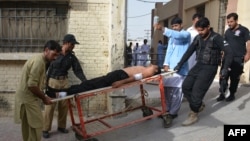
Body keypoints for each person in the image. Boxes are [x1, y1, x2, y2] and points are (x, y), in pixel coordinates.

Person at [174, 17, 232, 126]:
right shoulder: (198, 38)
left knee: (197, 91)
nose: (200, 32)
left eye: (202, 30)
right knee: (186, 86)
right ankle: (198, 105)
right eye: (198, 30)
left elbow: (229, 53)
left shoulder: (217, 38)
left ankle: (193, 113)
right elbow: (189, 51)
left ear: (208, 27)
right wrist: (180, 64)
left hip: (210, 67)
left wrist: (225, 68)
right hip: (199, 65)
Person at [14, 40, 61, 141]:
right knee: (37, 124)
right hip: (28, 99)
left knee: (28, 126)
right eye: (54, 54)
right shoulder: (39, 62)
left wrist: (46, 94)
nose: (55, 58)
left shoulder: (39, 60)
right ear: (47, 50)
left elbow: (36, 84)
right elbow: (31, 85)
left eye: (57, 55)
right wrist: (44, 98)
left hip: (25, 97)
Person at [43, 34, 87, 138]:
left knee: (63, 105)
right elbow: (45, 67)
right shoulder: (55, 53)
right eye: (72, 44)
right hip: (53, 83)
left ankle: (61, 126)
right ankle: (45, 129)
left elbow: (78, 70)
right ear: (66, 43)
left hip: (64, 83)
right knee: (50, 105)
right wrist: (44, 83)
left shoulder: (71, 57)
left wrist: (85, 81)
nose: (73, 46)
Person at [154, 17, 191, 128]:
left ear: (181, 25)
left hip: (180, 69)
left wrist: (162, 29)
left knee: (176, 92)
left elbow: (178, 35)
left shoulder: (185, 35)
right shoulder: (171, 38)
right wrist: (166, 63)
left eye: (176, 26)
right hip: (169, 69)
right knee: (166, 90)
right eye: (173, 26)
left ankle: (173, 113)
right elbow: (169, 51)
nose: (175, 28)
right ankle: (167, 111)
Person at [217, 13, 250, 102]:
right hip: (227, 58)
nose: (229, 24)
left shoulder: (244, 30)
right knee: (223, 76)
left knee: (234, 77)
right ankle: (222, 93)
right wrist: (222, 55)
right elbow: (225, 44)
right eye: (228, 22)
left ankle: (232, 94)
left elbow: (248, 42)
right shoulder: (227, 31)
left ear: (236, 21)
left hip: (238, 58)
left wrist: (248, 54)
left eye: (231, 21)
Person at [64, 64, 161, 95]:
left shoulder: (151, 70)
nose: (152, 64)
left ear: (156, 70)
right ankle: (69, 90)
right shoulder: (148, 68)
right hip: (119, 74)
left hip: (120, 76)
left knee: (93, 85)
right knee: (93, 83)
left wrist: (121, 82)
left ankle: (67, 92)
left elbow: (136, 77)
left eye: (154, 66)